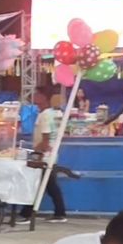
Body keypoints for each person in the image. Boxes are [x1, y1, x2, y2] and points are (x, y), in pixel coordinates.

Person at [32, 92, 81, 223]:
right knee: (48, 184)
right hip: (52, 152)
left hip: (45, 154)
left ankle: (57, 213)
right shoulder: (57, 114)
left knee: (47, 184)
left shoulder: (46, 115)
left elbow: (46, 137)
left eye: (37, 95)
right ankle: (58, 212)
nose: (34, 97)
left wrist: (38, 150)